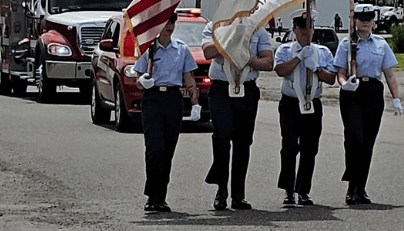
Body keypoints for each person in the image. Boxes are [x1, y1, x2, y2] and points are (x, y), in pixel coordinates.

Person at [333, 3, 402, 205]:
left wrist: (396, 98)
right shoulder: (346, 44)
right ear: (354, 21)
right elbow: (340, 72)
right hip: (352, 93)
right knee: (355, 138)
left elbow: (389, 73)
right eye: (361, 19)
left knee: (368, 143)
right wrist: (344, 84)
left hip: (372, 92)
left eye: (369, 19)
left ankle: (359, 188)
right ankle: (351, 185)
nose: (365, 22)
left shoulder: (381, 45)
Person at [202, 21, 273, 210]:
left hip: (247, 89)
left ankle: (238, 194)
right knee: (222, 136)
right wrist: (230, 37)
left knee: (243, 142)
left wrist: (248, 58)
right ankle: (221, 190)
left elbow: (268, 62)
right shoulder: (215, 26)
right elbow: (208, 52)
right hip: (222, 88)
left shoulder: (258, 29)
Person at [134, 13, 199, 212]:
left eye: (172, 22)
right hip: (153, 99)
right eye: (166, 22)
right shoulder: (149, 49)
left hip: (173, 99)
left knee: (168, 150)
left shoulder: (181, 49)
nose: (169, 26)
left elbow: (189, 78)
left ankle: (160, 197)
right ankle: (152, 196)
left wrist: (195, 103)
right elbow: (138, 77)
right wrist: (142, 81)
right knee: (156, 148)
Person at [274, 11, 336, 206]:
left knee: (310, 149)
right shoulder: (285, 50)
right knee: (290, 146)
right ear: (294, 29)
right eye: (301, 27)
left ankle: (303, 190)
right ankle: (288, 190)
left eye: (309, 27)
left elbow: (331, 78)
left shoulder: (322, 51)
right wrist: (299, 58)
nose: (305, 31)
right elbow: (280, 71)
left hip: (312, 103)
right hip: (291, 103)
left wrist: (316, 67)